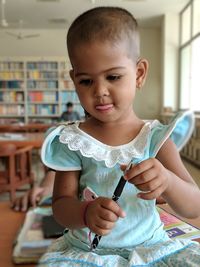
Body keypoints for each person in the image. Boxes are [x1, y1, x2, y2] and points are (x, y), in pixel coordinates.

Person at [39, 7, 200, 267]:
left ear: (139, 74)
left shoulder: (155, 138)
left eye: (113, 77)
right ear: (73, 80)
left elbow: (194, 207)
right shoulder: (74, 140)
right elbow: (60, 206)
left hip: (152, 249)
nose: (100, 91)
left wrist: (167, 181)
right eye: (86, 81)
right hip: (86, 254)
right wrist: (84, 212)